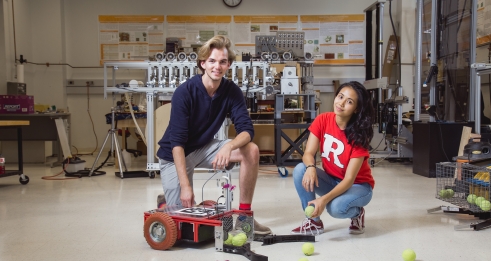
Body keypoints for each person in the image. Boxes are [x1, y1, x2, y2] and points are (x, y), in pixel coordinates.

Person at [156, 35, 272, 235]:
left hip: (203, 148)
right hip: (174, 156)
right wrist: (185, 186)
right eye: (212, 61)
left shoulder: (231, 91)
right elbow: (177, 144)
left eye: (222, 62)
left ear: (228, 65)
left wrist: (229, 146)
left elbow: (247, 130)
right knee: (182, 228)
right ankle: (166, 201)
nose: (217, 66)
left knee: (250, 150)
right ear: (203, 63)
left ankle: (245, 218)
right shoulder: (185, 92)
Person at [291, 81, 375, 235]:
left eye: (349, 101)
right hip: (333, 180)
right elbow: (308, 153)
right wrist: (310, 168)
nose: (341, 103)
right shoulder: (323, 120)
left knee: (335, 208)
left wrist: (323, 200)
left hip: (359, 187)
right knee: (300, 170)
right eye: (340, 96)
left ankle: (357, 214)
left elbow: (349, 180)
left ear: (356, 109)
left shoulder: (359, 136)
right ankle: (313, 222)